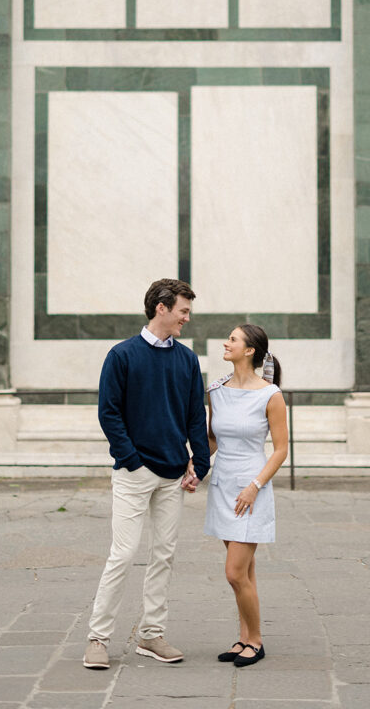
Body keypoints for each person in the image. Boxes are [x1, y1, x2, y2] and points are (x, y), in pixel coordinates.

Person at [83, 278, 210, 670]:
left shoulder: (187, 360)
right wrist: (132, 461)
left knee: (164, 555)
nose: (187, 319)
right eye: (183, 311)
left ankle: (151, 635)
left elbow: (194, 416)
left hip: (173, 475)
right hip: (134, 474)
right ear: (161, 308)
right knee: (122, 555)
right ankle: (98, 638)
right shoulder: (121, 356)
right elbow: (109, 413)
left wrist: (199, 465)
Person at [204, 324, 288, 667]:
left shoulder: (271, 394)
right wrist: (194, 466)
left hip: (250, 489)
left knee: (234, 573)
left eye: (233, 339)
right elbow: (212, 441)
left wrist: (255, 486)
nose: (226, 343)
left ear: (249, 350)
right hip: (223, 485)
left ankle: (256, 641)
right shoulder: (217, 390)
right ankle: (244, 638)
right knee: (246, 571)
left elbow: (281, 450)